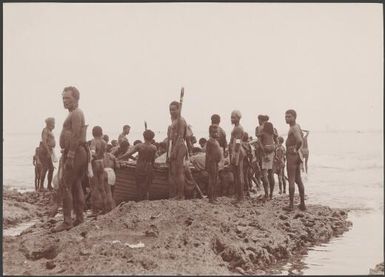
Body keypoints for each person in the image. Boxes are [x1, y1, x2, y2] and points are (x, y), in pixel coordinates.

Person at [52, 86, 88, 233]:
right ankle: (79, 218)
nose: (64, 101)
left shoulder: (76, 114)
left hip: (76, 153)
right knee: (76, 184)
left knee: (65, 185)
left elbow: (76, 134)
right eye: (63, 98)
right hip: (77, 152)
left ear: (76, 98)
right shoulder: (74, 113)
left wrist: (71, 155)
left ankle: (67, 221)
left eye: (67, 98)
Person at [118, 129, 157, 201]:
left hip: (140, 167)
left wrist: (119, 158)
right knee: (147, 187)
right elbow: (153, 160)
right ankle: (146, 201)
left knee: (139, 185)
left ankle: (139, 201)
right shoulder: (154, 147)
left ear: (144, 137)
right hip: (149, 167)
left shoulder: (139, 146)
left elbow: (129, 154)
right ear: (152, 138)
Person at [167, 101, 192, 200]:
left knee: (179, 171)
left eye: (174, 109)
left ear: (178, 109)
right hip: (174, 146)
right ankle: (177, 194)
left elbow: (181, 136)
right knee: (174, 171)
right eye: (170, 110)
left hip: (180, 147)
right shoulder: (174, 120)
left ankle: (181, 195)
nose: (172, 111)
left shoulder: (181, 120)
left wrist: (174, 151)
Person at [284, 109, 306, 211]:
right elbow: (301, 138)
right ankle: (302, 204)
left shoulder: (293, 128)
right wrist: (297, 150)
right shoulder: (297, 126)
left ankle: (291, 205)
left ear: (294, 117)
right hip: (297, 156)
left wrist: (295, 149)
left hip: (292, 156)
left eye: (289, 116)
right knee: (298, 179)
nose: (287, 118)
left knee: (291, 180)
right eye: (286, 116)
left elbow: (300, 140)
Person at [90, 126, 113, 214]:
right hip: (102, 163)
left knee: (94, 187)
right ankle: (105, 208)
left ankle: (94, 210)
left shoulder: (93, 141)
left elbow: (93, 153)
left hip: (95, 163)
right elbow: (103, 153)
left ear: (93, 132)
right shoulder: (104, 141)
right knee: (101, 186)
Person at [229, 110, 246, 203]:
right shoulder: (236, 127)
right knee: (237, 174)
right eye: (231, 117)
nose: (232, 119)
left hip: (238, 152)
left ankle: (240, 196)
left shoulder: (238, 128)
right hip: (236, 151)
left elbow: (238, 141)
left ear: (238, 118)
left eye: (233, 117)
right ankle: (238, 195)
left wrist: (235, 154)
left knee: (239, 175)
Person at [205, 125, 222, 204]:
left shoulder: (216, 141)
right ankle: (211, 198)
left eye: (217, 132)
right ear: (210, 133)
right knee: (212, 180)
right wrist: (207, 165)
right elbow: (207, 154)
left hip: (216, 163)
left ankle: (214, 197)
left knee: (215, 180)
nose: (216, 133)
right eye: (214, 132)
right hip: (211, 163)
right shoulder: (210, 141)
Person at [259, 121, 276, 200]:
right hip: (272, 151)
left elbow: (259, 143)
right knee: (271, 174)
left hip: (265, 151)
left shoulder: (263, 133)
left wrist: (264, 154)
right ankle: (271, 194)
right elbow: (276, 141)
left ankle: (266, 194)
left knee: (264, 174)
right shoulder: (272, 133)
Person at [39, 117, 56, 191]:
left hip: (48, 151)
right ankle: (41, 186)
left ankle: (49, 185)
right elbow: (44, 142)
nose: (54, 125)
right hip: (44, 151)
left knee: (51, 169)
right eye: (53, 123)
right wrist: (48, 152)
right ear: (49, 123)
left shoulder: (49, 130)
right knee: (45, 168)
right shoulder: (45, 130)